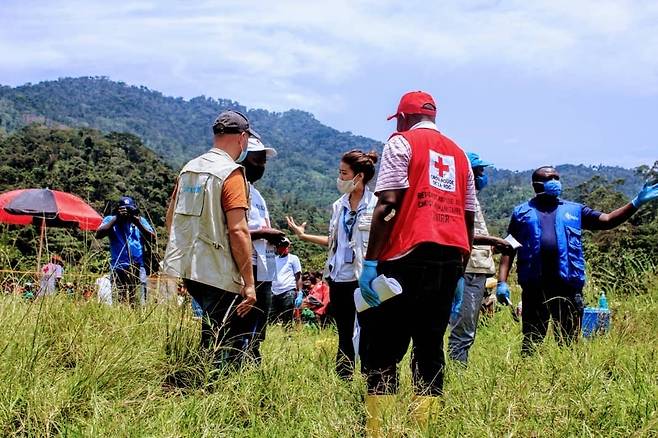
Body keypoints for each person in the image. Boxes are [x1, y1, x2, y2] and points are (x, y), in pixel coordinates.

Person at [358, 91, 476, 434]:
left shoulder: (401, 143)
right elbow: (468, 215)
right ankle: (423, 428)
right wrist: (460, 266)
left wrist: (371, 263)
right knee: (429, 344)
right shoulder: (460, 155)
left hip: (406, 257)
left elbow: (387, 205)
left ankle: (379, 430)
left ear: (404, 118)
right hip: (449, 259)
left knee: (384, 347)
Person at [497, 166, 658, 355]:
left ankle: (567, 377)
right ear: (537, 184)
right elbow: (509, 248)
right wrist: (502, 282)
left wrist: (636, 203)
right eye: (550, 178)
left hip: (568, 287)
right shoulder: (521, 213)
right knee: (532, 341)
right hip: (534, 288)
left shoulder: (575, 210)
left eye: (557, 177)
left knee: (569, 343)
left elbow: (607, 220)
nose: (556, 182)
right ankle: (527, 376)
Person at [163, 109, 258, 370]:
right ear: (242, 138)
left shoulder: (188, 169)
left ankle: (198, 377)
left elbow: (170, 217)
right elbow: (238, 230)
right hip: (218, 268)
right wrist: (249, 283)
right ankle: (212, 388)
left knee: (211, 325)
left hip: (190, 268)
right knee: (225, 338)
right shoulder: (231, 173)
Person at [287, 149, 379, 380]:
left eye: (344, 173)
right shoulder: (339, 206)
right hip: (339, 279)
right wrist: (304, 236)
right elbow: (334, 241)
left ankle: (370, 378)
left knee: (369, 331)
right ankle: (344, 378)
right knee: (344, 331)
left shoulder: (377, 205)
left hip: (364, 279)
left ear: (359, 176)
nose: (340, 178)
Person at [448, 153, 513, 365]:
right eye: (479, 172)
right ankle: (457, 371)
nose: (483, 176)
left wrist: (492, 247)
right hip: (467, 270)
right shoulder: (459, 198)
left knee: (466, 327)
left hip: (476, 268)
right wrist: (495, 240)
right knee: (463, 329)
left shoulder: (471, 198)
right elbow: (462, 235)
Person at [239, 135, 284, 363]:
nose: (262, 166)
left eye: (264, 162)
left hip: (265, 268)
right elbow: (235, 232)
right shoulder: (236, 188)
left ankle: (253, 357)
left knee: (259, 322)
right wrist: (265, 234)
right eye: (258, 161)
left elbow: (259, 228)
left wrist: (275, 240)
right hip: (246, 267)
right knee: (241, 324)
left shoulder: (258, 195)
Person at [96, 196, 156, 305]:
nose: (126, 213)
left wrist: (137, 222)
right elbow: (99, 234)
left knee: (139, 300)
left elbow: (153, 238)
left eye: (129, 209)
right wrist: (116, 218)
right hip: (118, 266)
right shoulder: (111, 220)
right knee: (119, 299)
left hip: (138, 265)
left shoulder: (140, 221)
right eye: (124, 209)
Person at [270, 238, 302, 325]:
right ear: (277, 247)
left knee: (287, 318)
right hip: (274, 291)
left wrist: (299, 292)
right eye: (283, 246)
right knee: (271, 318)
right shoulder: (274, 259)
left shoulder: (293, 258)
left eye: (286, 245)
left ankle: (288, 336)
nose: (285, 247)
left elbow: (298, 276)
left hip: (288, 291)